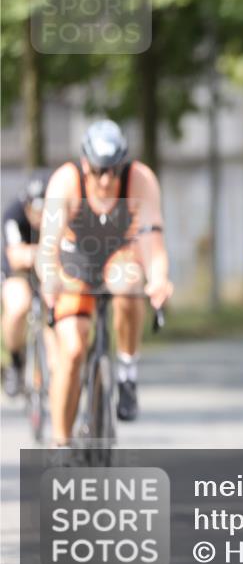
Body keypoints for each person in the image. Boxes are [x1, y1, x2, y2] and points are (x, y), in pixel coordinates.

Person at [35, 120, 172, 445]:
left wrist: (159, 279)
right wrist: (50, 279)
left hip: (118, 255)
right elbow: (48, 244)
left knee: (130, 285)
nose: (107, 180)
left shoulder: (140, 180)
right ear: (85, 164)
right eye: (99, 171)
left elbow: (153, 241)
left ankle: (126, 371)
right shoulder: (65, 182)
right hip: (75, 259)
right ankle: (61, 444)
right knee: (72, 349)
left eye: (114, 170)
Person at [1, 170, 51, 396]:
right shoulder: (14, 215)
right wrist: (41, 253)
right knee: (18, 306)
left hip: (48, 271)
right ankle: (15, 361)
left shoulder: (61, 216)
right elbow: (16, 256)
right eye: (34, 208)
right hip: (17, 273)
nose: (38, 215)